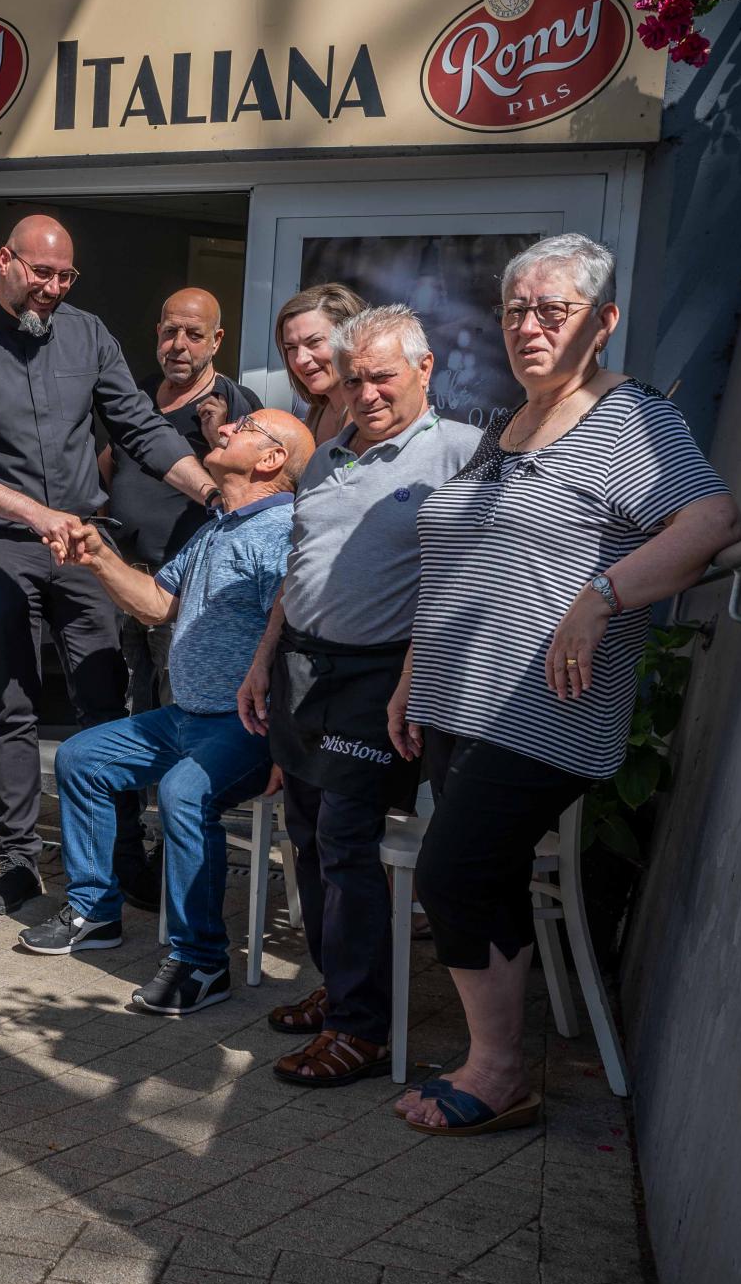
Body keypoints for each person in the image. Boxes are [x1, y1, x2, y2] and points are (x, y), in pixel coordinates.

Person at [388, 235, 739, 1135]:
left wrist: (602, 595)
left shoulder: (632, 421)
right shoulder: (511, 421)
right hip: (459, 700)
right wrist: (411, 673)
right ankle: (495, 1060)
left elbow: (710, 518)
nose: (528, 325)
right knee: (488, 875)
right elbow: (460, 562)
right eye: (516, 309)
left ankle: (498, 1069)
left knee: (453, 872)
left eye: (553, 310)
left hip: (547, 707)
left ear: (603, 321)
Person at [0, 215, 219, 917]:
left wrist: (212, 491)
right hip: (1, 543)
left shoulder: (89, 335)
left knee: (102, 699)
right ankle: (20, 858)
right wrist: (35, 514)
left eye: (64, 277)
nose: (52, 288)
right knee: (11, 703)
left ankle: (119, 856)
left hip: (86, 544)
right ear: (5, 261)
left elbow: (139, 427)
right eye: (40, 273)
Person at [237, 305, 481, 1088]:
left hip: (381, 676)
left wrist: (415, 675)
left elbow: (461, 585)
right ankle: (341, 985)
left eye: (382, 376)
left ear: (425, 368)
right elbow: (298, 571)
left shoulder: (460, 453)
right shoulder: (328, 455)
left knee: (346, 841)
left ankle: (361, 1029)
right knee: (305, 837)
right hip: (302, 670)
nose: (367, 392)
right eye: (354, 379)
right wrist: (261, 660)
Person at [26, 412, 314, 1019]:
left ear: (270, 461)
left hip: (246, 728)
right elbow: (158, 605)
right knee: (83, 757)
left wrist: (289, 746)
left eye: (248, 425)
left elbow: (295, 644)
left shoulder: (284, 532)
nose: (230, 425)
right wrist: (98, 558)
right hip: (184, 717)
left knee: (185, 793)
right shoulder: (217, 528)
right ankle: (95, 910)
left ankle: (202, 961)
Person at [99, 288, 264, 908]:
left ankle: (179, 870)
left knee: (182, 724)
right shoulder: (137, 395)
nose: (179, 346)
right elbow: (110, 462)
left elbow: (246, 482)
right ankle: (137, 862)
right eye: (170, 332)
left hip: (186, 593)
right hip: (129, 581)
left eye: (194, 335)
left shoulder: (232, 406)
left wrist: (218, 434)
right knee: (136, 714)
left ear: (216, 341)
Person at [275, 283, 368, 446]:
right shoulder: (318, 408)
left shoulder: (370, 414)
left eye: (315, 341)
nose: (300, 359)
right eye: (291, 348)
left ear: (351, 339)